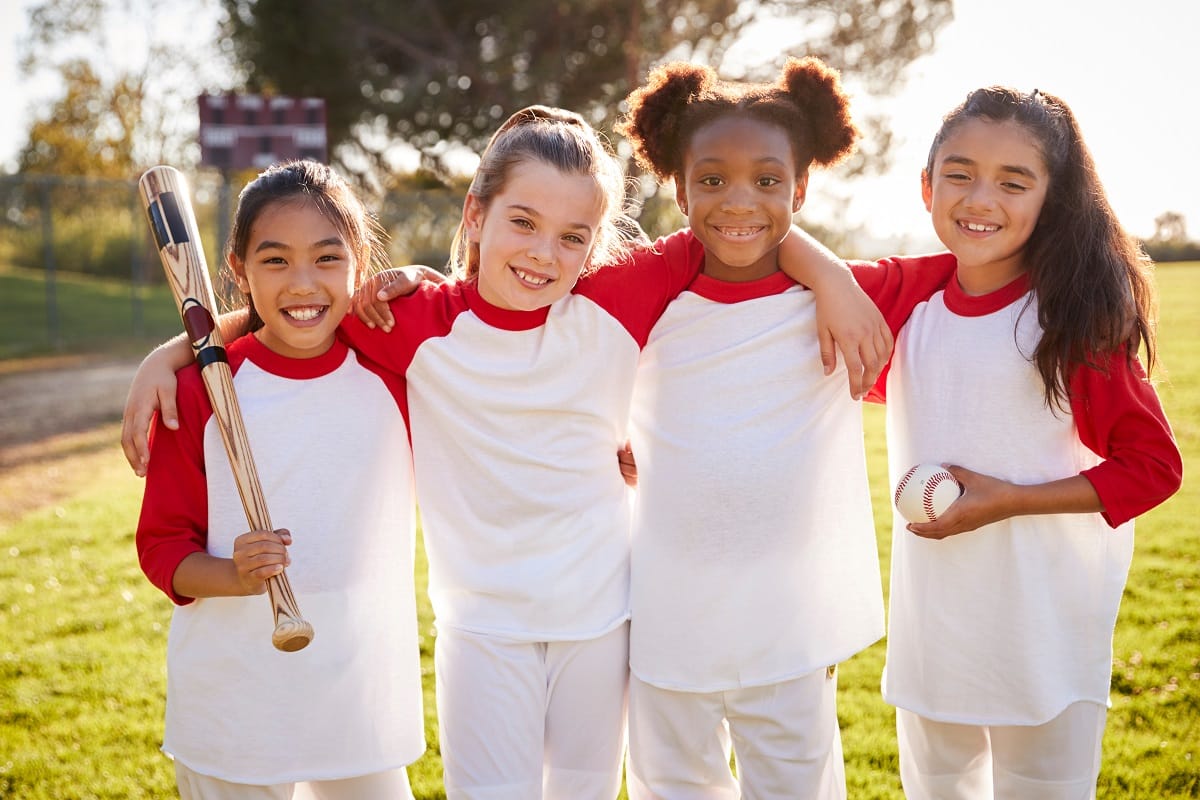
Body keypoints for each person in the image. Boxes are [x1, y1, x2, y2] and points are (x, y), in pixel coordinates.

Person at [123, 106, 889, 800]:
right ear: (476, 214)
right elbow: (294, 307)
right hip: (482, 627)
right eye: (522, 222)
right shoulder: (413, 321)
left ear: (598, 241)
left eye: (572, 236)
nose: (543, 254)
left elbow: (739, 217)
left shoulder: (616, 296)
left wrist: (832, 277)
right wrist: (180, 352)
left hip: (601, 619)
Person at [611, 58, 959, 800]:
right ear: (678, 187)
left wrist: (830, 275)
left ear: (801, 187)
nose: (739, 202)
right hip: (666, 612)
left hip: (790, 622)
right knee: (673, 784)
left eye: (768, 182)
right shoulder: (645, 290)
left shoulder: (853, 296)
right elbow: (526, 295)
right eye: (712, 181)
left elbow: (985, 268)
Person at [875, 86, 1183, 799]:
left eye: (1014, 182)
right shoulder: (909, 302)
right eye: (960, 173)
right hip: (934, 631)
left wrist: (1010, 499)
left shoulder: (1072, 320)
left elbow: (1153, 468)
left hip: (1045, 630)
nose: (981, 197)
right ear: (926, 187)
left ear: (1053, 199)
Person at [134, 160, 425, 799]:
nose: (303, 284)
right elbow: (162, 549)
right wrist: (230, 576)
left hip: (357, 688)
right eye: (274, 261)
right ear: (237, 272)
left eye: (327, 258)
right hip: (235, 701)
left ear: (359, 265)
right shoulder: (200, 391)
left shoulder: (396, 373)